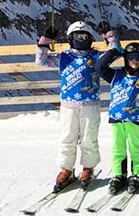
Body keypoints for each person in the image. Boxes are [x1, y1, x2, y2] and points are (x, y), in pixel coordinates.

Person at [35, 21, 107, 192]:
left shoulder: (96, 56)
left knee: (89, 137)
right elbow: (40, 60)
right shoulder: (64, 57)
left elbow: (115, 53)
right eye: (77, 37)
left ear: (90, 39)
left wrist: (109, 36)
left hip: (90, 104)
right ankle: (66, 169)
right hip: (68, 105)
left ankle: (88, 168)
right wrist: (45, 41)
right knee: (67, 137)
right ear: (70, 38)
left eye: (84, 37)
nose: (81, 40)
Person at [98, 28, 139, 193]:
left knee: (135, 147)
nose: (134, 61)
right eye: (131, 58)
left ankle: (137, 173)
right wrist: (113, 52)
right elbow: (100, 67)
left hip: (134, 119)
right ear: (126, 59)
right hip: (116, 118)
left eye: (138, 58)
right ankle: (119, 174)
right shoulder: (116, 75)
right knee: (118, 148)